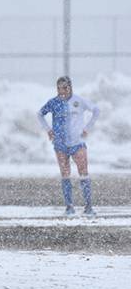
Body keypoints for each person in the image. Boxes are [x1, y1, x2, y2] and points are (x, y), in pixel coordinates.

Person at [37, 76, 100, 216]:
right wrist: (48, 130)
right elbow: (40, 114)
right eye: (59, 88)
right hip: (60, 143)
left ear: (70, 87)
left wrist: (87, 128)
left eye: (65, 87)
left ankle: (88, 207)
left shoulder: (78, 101)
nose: (62, 91)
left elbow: (96, 110)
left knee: (83, 173)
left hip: (77, 143)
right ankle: (69, 207)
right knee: (65, 175)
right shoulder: (54, 103)